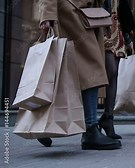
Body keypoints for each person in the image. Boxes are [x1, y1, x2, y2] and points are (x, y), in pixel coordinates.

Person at [37, 0, 121, 150]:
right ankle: (90, 129)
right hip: (70, 13)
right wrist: (47, 14)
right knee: (90, 67)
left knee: (72, 73)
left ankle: (43, 122)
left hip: (85, 14)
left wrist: (103, 16)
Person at [98, 0, 135, 139]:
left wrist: (127, 35)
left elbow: (122, 7)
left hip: (115, 28)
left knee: (114, 73)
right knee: (110, 70)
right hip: (97, 26)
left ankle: (108, 118)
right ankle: (88, 120)